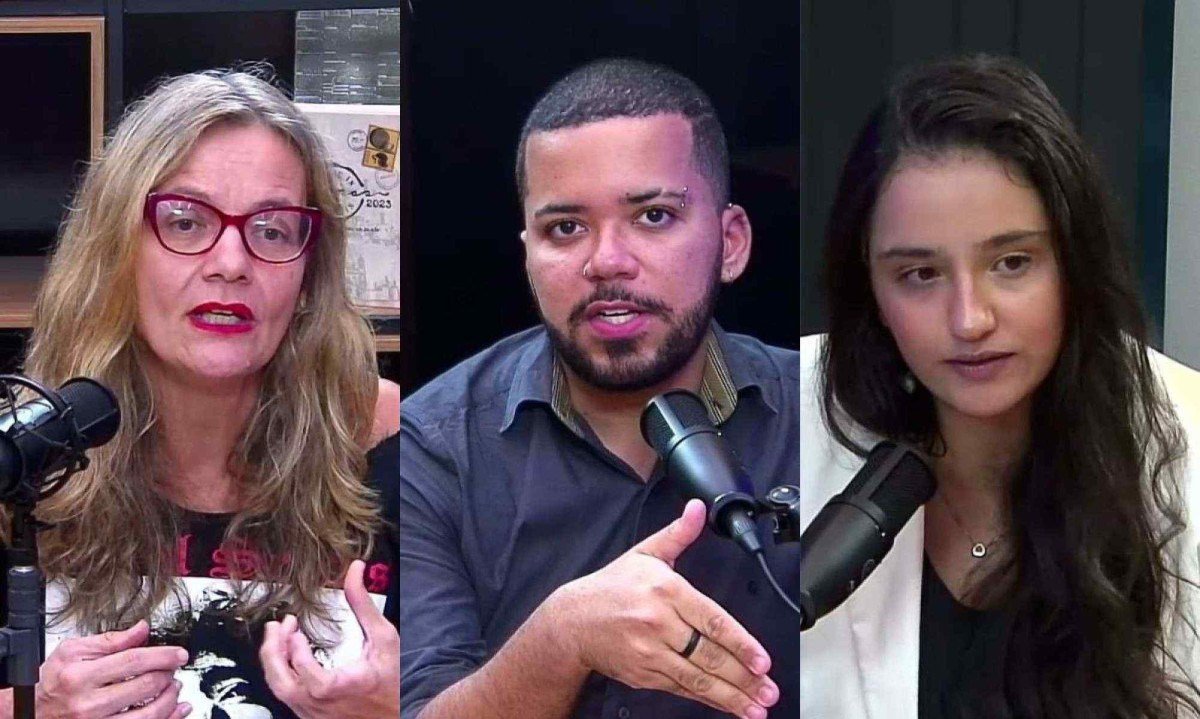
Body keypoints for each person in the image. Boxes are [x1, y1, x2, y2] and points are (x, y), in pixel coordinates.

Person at [397, 58, 801, 719]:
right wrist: (561, 638)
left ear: (730, 243)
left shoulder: (820, 414)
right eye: (566, 228)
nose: (607, 261)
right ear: (527, 255)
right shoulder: (434, 445)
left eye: (653, 216)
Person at [801, 53, 1200, 718]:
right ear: (869, 288)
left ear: (1074, 263)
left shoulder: (1185, 443)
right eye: (920, 275)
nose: (970, 320)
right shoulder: (791, 413)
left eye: (1012, 263)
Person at [3, 68, 401, 718]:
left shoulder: (398, 447)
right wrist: (28, 710)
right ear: (115, 249)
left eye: (272, 230)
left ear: (309, 273)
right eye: (185, 222)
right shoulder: (22, 458)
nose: (231, 263)